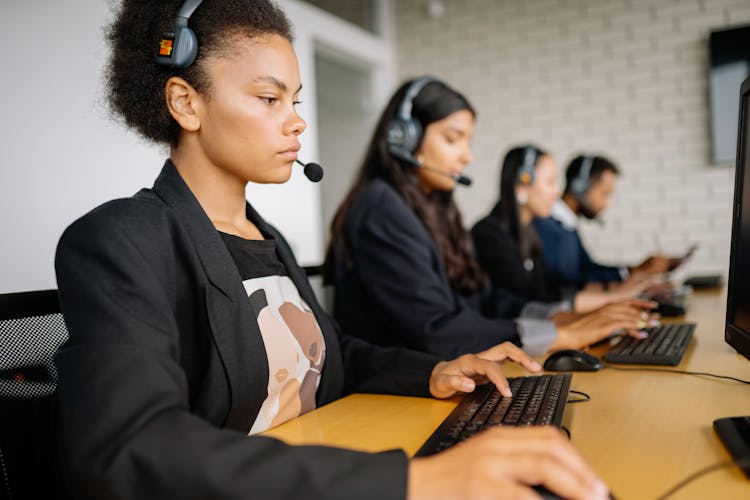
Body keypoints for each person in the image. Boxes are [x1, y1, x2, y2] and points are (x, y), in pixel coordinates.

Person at [53, 1, 610, 499]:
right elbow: (130, 447)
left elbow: (330, 354)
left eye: (293, 101)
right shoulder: (120, 240)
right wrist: (415, 482)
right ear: (186, 104)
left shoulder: (266, 238)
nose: (296, 121)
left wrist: (433, 372)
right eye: (269, 98)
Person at [324, 77, 655, 361]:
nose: (467, 156)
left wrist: (561, 319)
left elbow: (482, 300)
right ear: (403, 137)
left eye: (468, 141)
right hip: (388, 396)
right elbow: (436, 329)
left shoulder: (430, 210)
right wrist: (560, 335)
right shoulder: (381, 209)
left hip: (438, 374)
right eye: (453, 139)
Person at [472, 145, 667, 314]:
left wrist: (619, 290)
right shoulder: (490, 235)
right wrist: (615, 296)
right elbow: (534, 299)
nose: (557, 192)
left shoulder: (527, 231)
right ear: (522, 185)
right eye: (549, 182)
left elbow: (554, 283)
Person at [532, 154, 681, 289]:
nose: (606, 204)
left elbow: (587, 267)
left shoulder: (567, 224)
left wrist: (634, 271)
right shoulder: (546, 226)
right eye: (604, 194)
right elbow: (567, 282)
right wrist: (633, 274)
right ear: (580, 186)